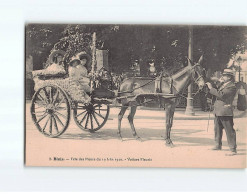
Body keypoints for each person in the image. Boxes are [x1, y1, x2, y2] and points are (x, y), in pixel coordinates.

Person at [206, 69, 237, 156]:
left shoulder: (232, 87)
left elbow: (221, 95)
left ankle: (233, 149)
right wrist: (214, 86)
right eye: (223, 75)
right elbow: (217, 92)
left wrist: (211, 88)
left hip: (225, 111)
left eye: (225, 76)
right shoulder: (223, 85)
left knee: (229, 130)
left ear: (230, 77)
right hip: (218, 110)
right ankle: (217, 145)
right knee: (217, 129)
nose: (222, 77)